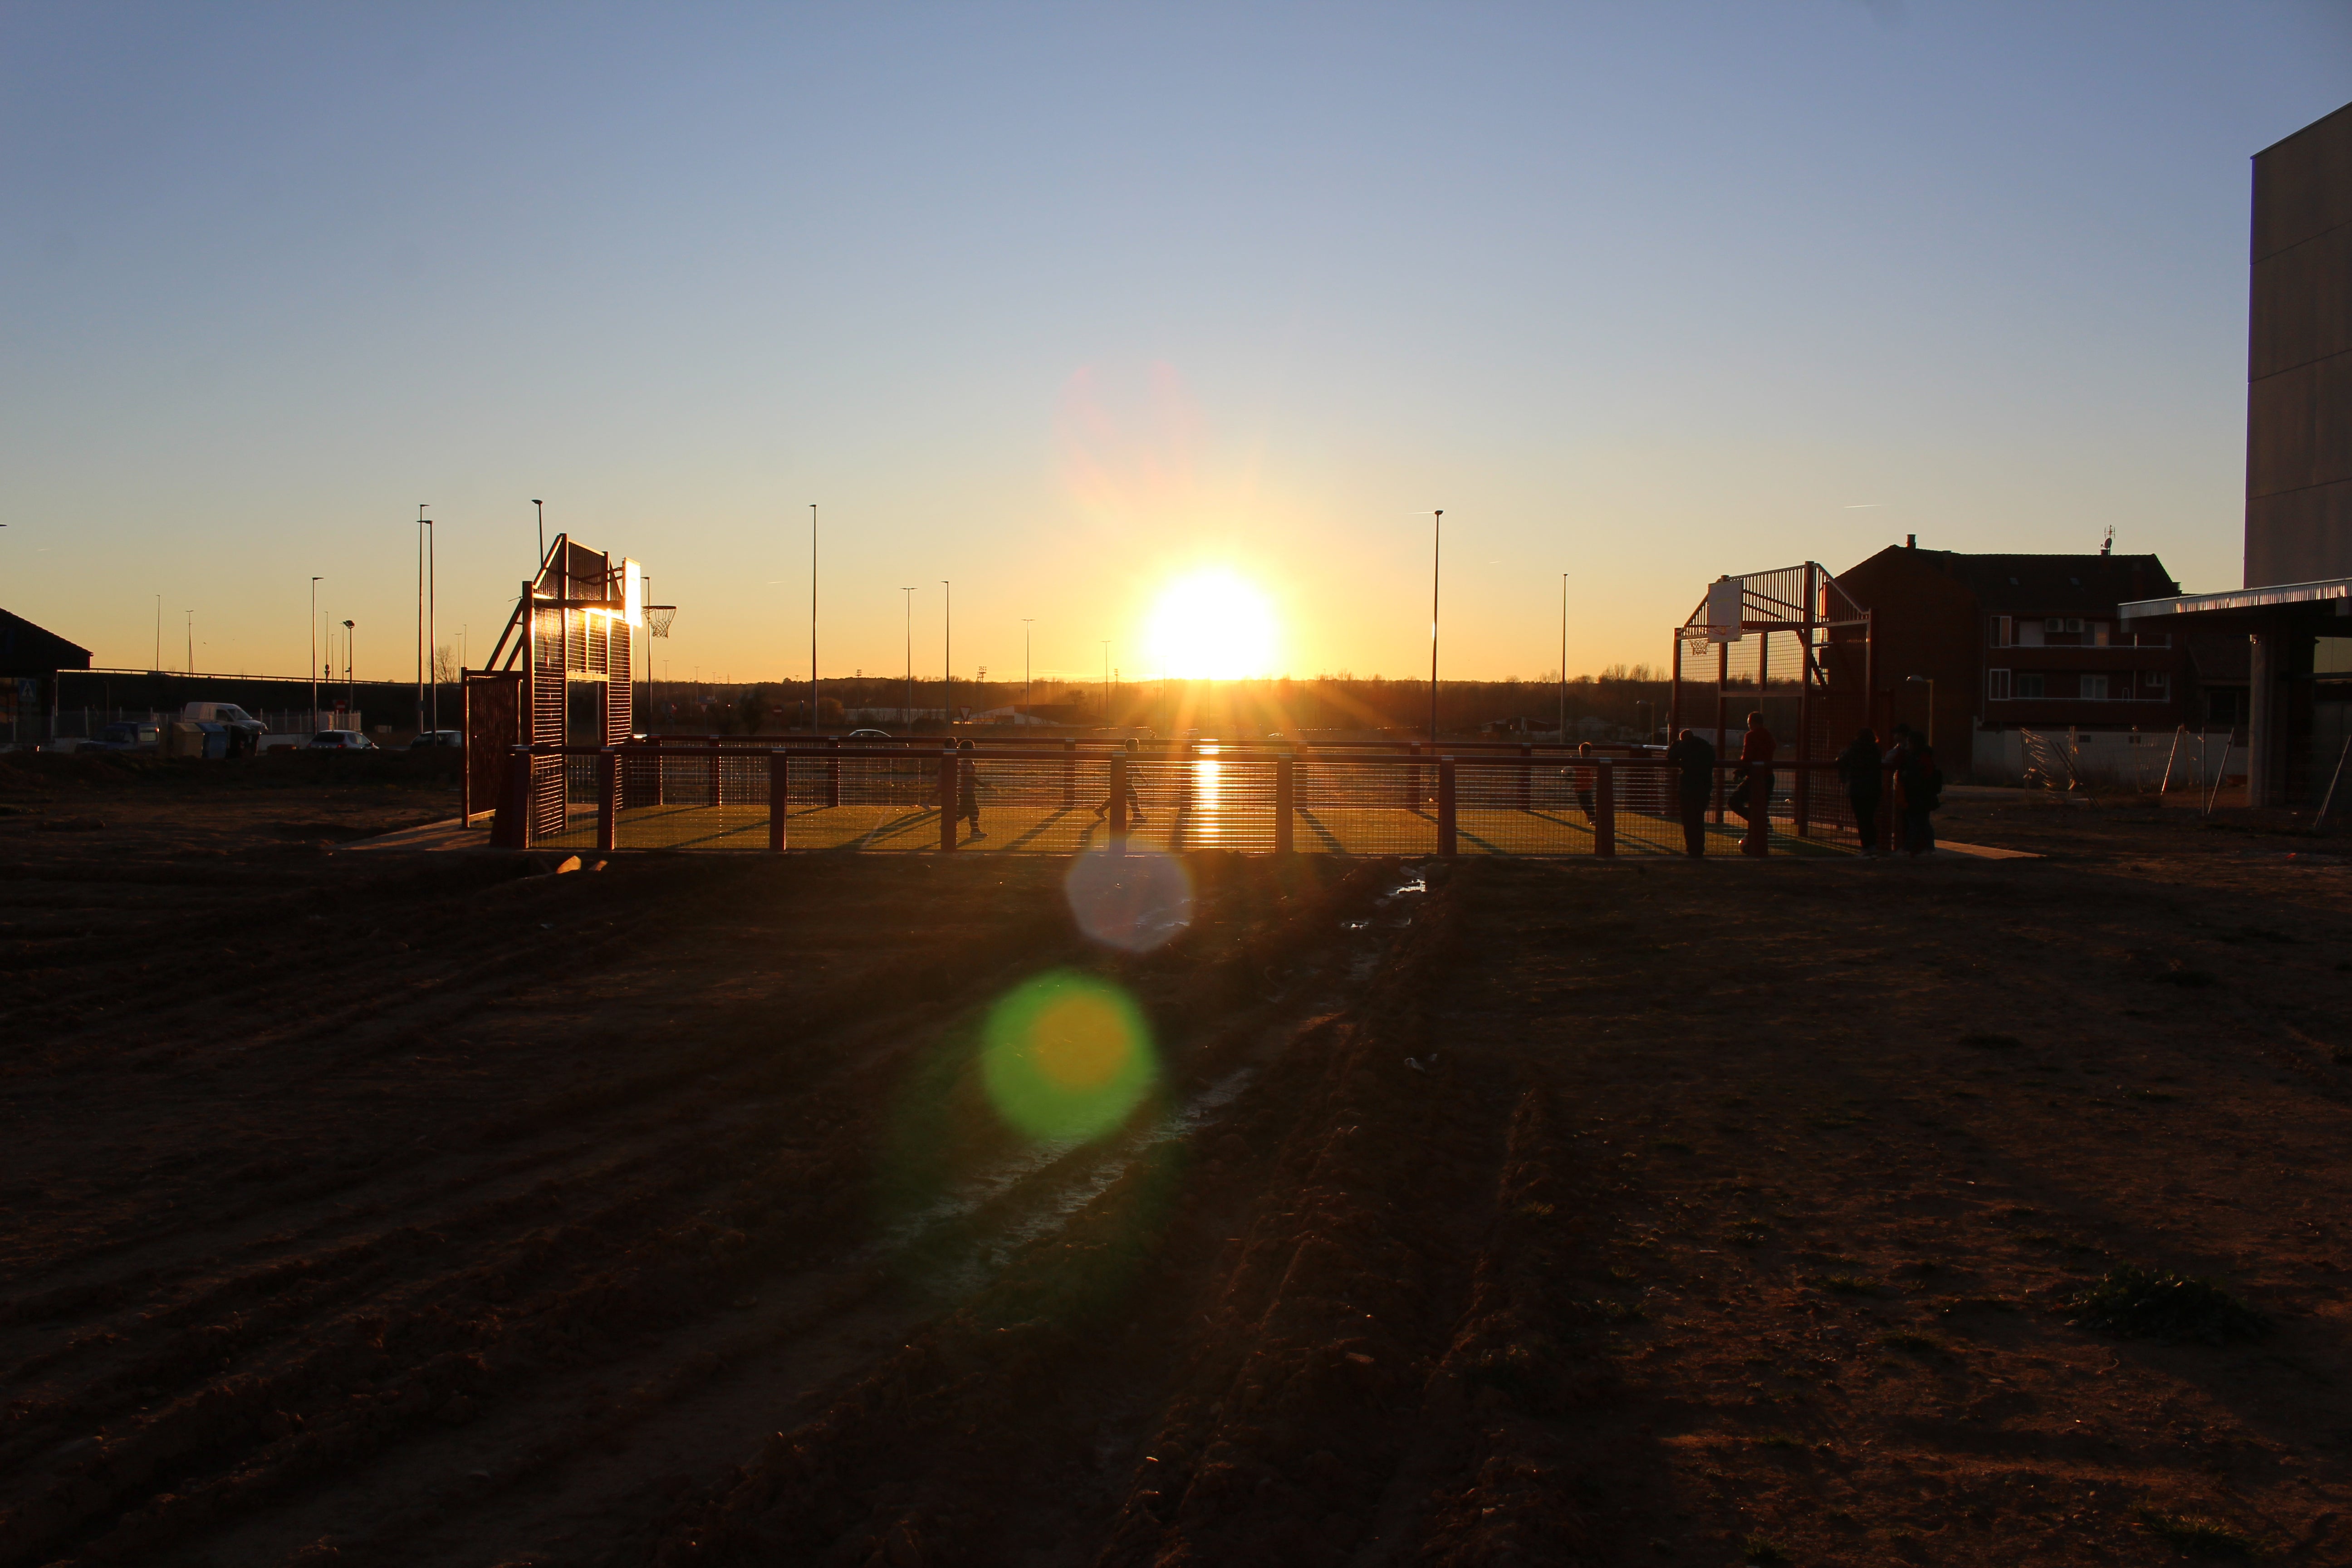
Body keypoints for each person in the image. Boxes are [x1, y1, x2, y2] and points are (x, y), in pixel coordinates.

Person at [1664, 727, 1716, 857]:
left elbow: (1671, 756)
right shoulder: (1706, 746)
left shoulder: (1685, 746)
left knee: (1688, 820)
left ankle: (1692, 849)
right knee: (1699, 820)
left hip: (1688, 788)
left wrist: (1675, 744)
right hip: (1705, 787)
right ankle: (1699, 849)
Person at [1835, 726, 1884, 855]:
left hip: (1857, 788)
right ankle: (1872, 845)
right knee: (1870, 818)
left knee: (1862, 818)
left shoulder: (1853, 749)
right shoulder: (1876, 750)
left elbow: (1841, 762)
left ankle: (1866, 847)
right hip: (1874, 788)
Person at [1896, 734, 1942, 856]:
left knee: (1915, 823)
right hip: (1924, 796)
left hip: (1917, 795)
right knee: (1923, 823)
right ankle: (1929, 849)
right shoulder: (1925, 757)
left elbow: (1915, 777)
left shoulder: (1916, 758)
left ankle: (1908, 848)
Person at [1091, 737, 1148, 826]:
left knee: (1116, 798)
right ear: (1132, 748)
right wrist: (1143, 778)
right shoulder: (1129, 757)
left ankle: (1100, 810)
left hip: (1123, 782)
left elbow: (1135, 769)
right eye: (1137, 746)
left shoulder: (1128, 756)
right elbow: (1135, 770)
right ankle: (1137, 815)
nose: (1138, 748)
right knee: (1133, 797)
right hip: (1125, 783)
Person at [956, 738, 987, 839]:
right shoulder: (968, 762)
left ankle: (948, 824)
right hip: (966, 791)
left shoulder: (967, 761)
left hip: (966, 790)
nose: (974, 750)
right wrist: (981, 784)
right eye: (973, 748)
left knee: (964, 812)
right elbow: (970, 776)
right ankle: (975, 831)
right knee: (974, 811)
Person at [1568, 741, 1597, 822]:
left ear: (1589, 753)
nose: (1582, 753)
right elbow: (1571, 771)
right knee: (1584, 804)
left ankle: (1592, 817)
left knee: (1588, 802)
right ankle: (1591, 817)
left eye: (1584, 752)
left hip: (1585, 786)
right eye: (1581, 751)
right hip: (1579, 786)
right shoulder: (1577, 762)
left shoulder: (1589, 762)